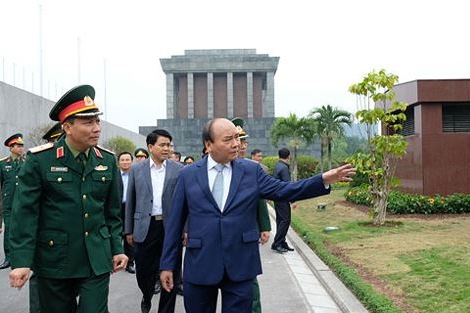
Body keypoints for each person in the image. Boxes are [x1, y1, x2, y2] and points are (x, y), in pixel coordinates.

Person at [159, 118, 356, 313]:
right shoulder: (188, 174)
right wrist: (167, 265)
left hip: (240, 265)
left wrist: (322, 180)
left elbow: (284, 190)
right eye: (228, 139)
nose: (236, 144)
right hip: (201, 263)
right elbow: (175, 223)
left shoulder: (251, 171)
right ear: (208, 145)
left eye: (237, 138)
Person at [8, 84, 128, 313]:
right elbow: (25, 214)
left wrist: (117, 248)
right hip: (55, 260)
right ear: (67, 127)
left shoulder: (107, 161)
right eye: (88, 122)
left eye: (97, 121)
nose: (96, 128)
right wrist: (21, 261)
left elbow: (112, 213)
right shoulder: (40, 160)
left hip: (96, 258)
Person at [125, 129, 183, 313]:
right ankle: (147, 294)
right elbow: (130, 201)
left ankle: (166, 310)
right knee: (144, 271)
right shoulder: (137, 169)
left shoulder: (179, 170)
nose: (167, 149)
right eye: (163, 145)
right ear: (151, 147)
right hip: (145, 227)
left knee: (171, 271)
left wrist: (185, 229)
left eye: (169, 145)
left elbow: (185, 203)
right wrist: (128, 230)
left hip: (171, 228)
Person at [231, 118, 270, 313]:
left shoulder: (254, 168)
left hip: (247, 231)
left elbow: (260, 200)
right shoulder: (212, 167)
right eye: (238, 140)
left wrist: (264, 226)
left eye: (244, 141)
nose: (242, 145)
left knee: (250, 278)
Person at [0, 133, 25, 270]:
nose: (21, 148)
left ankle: (20, 259)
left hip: (23, 204)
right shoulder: (3, 164)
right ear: (11, 148)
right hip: (8, 204)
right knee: (9, 230)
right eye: (18, 146)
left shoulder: (27, 163)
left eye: (22, 146)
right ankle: (8, 258)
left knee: (23, 231)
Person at [271, 148, 296, 254]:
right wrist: (292, 200)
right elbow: (287, 185)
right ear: (289, 156)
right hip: (282, 197)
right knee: (285, 220)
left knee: (280, 220)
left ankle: (282, 242)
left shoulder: (278, 166)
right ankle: (276, 243)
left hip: (277, 197)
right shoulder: (284, 168)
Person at [118, 151, 136, 274]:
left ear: (131, 161)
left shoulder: (136, 175)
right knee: (116, 234)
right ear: (118, 162)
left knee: (129, 236)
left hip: (131, 208)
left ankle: (130, 262)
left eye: (127, 160)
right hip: (117, 208)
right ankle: (116, 259)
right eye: (122, 160)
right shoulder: (114, 175)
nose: (125, 162)